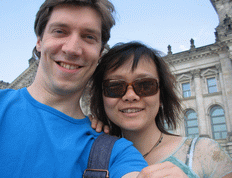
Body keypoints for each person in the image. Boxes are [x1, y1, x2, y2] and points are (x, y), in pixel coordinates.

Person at [0, 0, 151, 177]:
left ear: (100, 53)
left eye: (89, 37)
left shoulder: (117, 154)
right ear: (39, 41)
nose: (72, 49)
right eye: (60, 31)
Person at [90, 41, 232, 178]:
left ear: (161, 95)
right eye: (115, 87)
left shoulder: (206, 153)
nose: (130, 96)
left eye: (145, 85)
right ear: (101, 98)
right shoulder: (92, 154)